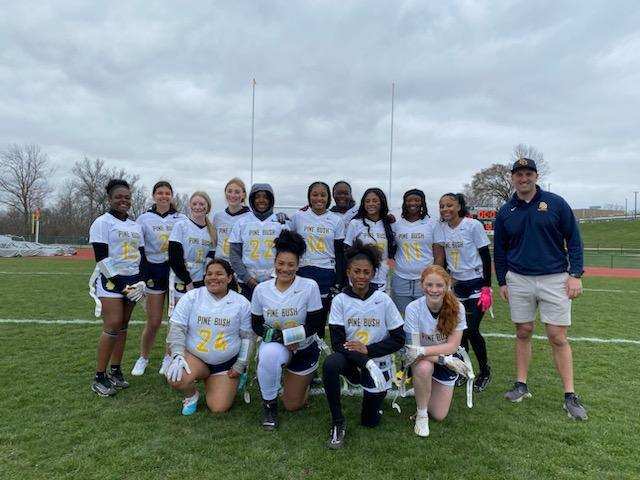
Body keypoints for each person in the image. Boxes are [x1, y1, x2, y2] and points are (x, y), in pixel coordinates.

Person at [493, 157, 587, 420]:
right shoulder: (505, 211)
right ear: (513, 177)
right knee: (523, 331)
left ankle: (570, 394)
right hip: (519, 279)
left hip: (554, 278)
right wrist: (502, 280)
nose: (523, 179)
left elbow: (575, 241)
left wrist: (575, 274)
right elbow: (500, 250)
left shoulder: (555, 203)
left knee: (557, 336)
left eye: (528, 174)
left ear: (536, 176)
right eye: (519, 174)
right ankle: (521, 385)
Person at [322, 241, 405, 449]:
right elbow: (337, 343)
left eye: (366, 272)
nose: (361, 276)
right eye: (356, 271)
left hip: (376, 361)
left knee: (370, 422)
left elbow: (398, 338)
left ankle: (374, 397)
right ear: (348, 271)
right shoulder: (340, 300)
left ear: (373, 273)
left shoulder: (383, 300)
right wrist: (363, 359)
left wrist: (369, 351)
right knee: (331, 363)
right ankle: (337, 422)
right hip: (352, 359)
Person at [250, 230, 324, 430]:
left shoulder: (309, 286)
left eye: (291, 264)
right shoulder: (261, 289)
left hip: (304, 348)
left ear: (298, 265)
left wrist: (292, 336)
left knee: (292, 405)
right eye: (281, 263)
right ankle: (269, 406)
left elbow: (315, 324)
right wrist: (280, 338)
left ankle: (304, 379)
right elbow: (256, 324)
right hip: (277, 344)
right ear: (275, 263)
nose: (285, 269)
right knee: (269, 355)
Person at [165, 259, 254, 415]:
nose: (214, 277)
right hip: (196, 358)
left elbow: (247, 337)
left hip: (226, 363)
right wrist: (178, 355)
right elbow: (177, 328)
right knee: (176, 377)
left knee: (218, 407)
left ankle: (225, 380)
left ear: (229, 278)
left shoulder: (241, 303)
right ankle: (191, 396)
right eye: (209, 274)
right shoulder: (192, 297)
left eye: (219, 274)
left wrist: (241, 364)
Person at [88, 179, 146, 396]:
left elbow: (141, 256)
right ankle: (99, 376)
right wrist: (123, 285)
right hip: (112, 282)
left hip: (132, 282)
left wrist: (140, 281)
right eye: (119, 197)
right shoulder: (102, 222)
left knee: (123, 326)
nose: (123, 200)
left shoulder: (135, 225)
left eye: (127, 197)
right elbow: (102, 258)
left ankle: (115, 370)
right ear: (110, 199)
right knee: (112, 324)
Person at [434, 193, 493, 391]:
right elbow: (443, 258)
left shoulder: (472, 225)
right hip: (457, 285)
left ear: (459, 206)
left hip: (476, 283)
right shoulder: (441, 228)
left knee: (472, 329)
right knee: (459, 331)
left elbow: (485, 256)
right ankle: (463, 370)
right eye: (442, 206)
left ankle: (485, 371)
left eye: (449, 205)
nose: (445, 209)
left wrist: (487, 286)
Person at [403, 265, 469, 437]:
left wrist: (424, 351)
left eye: (439, 285)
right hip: (430, 360)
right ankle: (422, 414)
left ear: (447, 286)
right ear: (422, 285)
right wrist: (444, 360)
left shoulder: (458, 308)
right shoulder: (413, 308)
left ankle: (422, 389)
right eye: (429, 285)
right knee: (423, 367)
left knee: (439, 415)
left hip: (442, 357)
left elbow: (452, 347)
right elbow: (412, 352)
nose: (433, 290)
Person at [131, 181, 187, 376]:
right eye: (160, 193)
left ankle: (168, 357)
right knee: (154, 321)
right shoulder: (144, 218)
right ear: (154, 196)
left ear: (172, 196)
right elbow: (138, 247)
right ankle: (143, 357)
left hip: (174, 272)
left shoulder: (181, 218)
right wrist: (142, 275)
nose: (163, 196)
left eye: (167, 193)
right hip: (153, 271)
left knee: (174, 320)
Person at [291, 181, 346, 336]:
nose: (319, 198)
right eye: (315, 194)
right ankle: (300, 342)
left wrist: (340, 279)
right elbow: (289, 243)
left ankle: (319, 341)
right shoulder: (298, 217)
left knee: (321, 312)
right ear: (309, 197)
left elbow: (339, 252)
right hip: (303, 270)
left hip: (326, 271)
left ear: (328, 198)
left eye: (323, 195)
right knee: (302, 310)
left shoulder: (336, 220)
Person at [229, 183, 290, 300]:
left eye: (266, 197)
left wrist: (276, 276)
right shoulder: (242, 223)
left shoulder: (281, 223)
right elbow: (234, 255)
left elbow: (288, 254)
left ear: (271, 200)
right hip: (247, 282)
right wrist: (247, 279)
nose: (261, 200)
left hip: (275, 280)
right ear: (252, 199)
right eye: (257, 197)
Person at [391, 189, 445, 315]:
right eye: (409, 200)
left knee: (426, 317)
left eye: (417, 200)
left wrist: (435, 277)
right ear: (404, 203)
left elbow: (439, 255)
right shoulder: (397, 225)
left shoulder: (432, 224)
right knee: (402, 319)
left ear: (422, 203)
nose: (413, 203)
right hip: (401, 278)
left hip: (425, 280)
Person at [344, 188, 396, 291]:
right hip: (360, 278)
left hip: (381, 280)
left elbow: (392, 254)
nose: (371, 204)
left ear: (382, 203)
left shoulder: (390, 224)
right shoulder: (355, 223)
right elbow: (347, 252)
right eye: (367, 201)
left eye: (375, 201)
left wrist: (390, 272)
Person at [212, 178, 251, 263]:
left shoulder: (250, 218)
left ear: (243, 195)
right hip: (220, 265)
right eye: (229, 191)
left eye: (237, 192)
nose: (233, 195)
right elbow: (214, 243)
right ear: (225, 193)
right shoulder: (218, 217)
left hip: (240, 266)